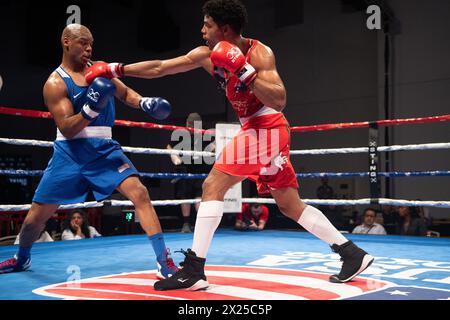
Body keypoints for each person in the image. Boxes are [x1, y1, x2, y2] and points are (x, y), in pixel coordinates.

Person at [85, 0, 374, 290]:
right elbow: (161, 67)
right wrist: (115, 69)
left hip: (267, 125)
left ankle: (195, 269)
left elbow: (279, 99)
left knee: (213, 185)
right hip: (260, 129)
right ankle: (351, 253)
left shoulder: (259, 53)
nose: (202, 31)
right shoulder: (206, 55)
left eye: (207, 25)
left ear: (224, 29)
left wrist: (244, 70)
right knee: (289, 205)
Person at [0, 24, 178, 280]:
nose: (89, 48)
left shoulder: (100, 70)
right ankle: (22, 258)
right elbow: (67, 128)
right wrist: (91, 109)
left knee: (140, 193)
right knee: (33, 221)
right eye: (83, 42)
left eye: (91, 43)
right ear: (66, 42)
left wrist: (144, 102)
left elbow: (125, 92)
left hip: (105, 151)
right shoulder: (54, 83)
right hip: (69, 153)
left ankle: (164, 261)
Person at [167, 112, 212, 233]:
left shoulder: (204, 134)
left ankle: (193, 224)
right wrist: (175, 157)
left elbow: (214, 146)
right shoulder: (182, 134)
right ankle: (189, 224)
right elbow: (169, 147)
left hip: (198, 170)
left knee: (196, 197)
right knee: (188, 196)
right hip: (186, 169)